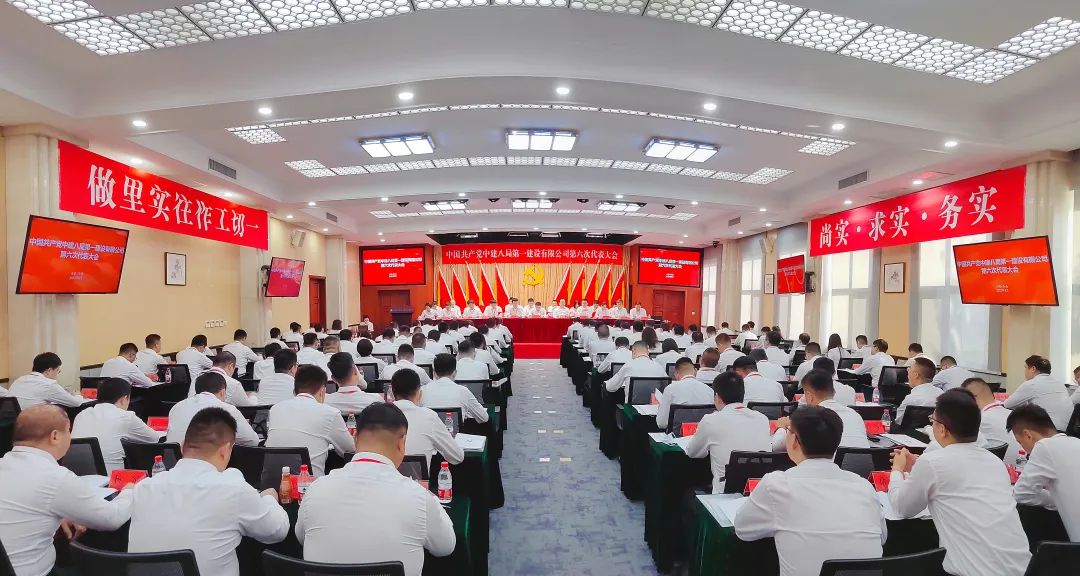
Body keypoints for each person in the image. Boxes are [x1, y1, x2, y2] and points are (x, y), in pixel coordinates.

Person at [296, 403, 455, 574]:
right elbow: (445, 547)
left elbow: (301, 537)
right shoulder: (419, 498)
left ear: (355, 439)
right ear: (402, 443)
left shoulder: (315, 489)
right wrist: (433, 501)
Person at [128, 407, 289, 576]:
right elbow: (276, 530)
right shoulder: (232, 489)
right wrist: (269, 498)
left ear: (182, 446)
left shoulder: (143, 488)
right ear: (225, 451)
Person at [889, 390, 1031, 576]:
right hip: (1024, 569)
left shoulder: (932, 463)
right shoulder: (995, 462)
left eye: (933, 420)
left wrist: (897, 470)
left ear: (942, 429)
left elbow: (902, 508)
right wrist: (917, 465)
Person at [736, 406, 885, 576]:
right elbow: (882, 537)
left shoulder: (776, 485)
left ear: (794, 440)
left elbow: (743, 529)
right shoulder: (864, 486)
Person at [0, 405, 134, 576]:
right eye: (68, 431)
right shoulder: (54, 477)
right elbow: (111, 518)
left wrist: (58, 514)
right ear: (55, 436)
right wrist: (129, 492)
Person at [685, 372, 772, 493]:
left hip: (724, 494)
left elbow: (692, 452)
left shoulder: (711, 420)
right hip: (757, 490)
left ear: (717, 397)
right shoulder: (762, 418)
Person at [1007, 404, 1080, 541]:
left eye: (1020, 442)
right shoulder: (1076, 442)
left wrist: (1053, 497)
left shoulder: (1044, 447)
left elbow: (1021, 494)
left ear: (1027, 435)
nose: (1024, 448)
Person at [266, 366, 354, 476]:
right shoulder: (330, 413)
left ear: (294, 391)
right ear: (322, 391)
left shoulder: (275, 409)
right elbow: (350, 450)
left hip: (271, 481)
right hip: (309, 483)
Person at [72, 378, 163, 473]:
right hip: (111, 478)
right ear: (124, 399)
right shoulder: (126, 417)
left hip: (76, 475)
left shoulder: (81, 415)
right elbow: (153, 438)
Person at [773, 371, 869, 451]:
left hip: (827, 467)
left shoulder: (809, 417)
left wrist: (781, 427)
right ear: (833, 392)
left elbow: (777, 447)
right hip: (865, 467)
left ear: (809, 396)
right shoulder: (855, 415)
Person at [391, 369, 464, 466]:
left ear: (392, 393)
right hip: (417, 477)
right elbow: (457, 457)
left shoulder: (377, 415)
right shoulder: (429, 417)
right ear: (419, 394)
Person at [167, 372, 259, 447]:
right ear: (223, 392)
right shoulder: (227, 409)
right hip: (208, 461)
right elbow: (252, 441)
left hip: (172, 461)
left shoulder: (176, 407)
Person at [961, 377, 1021, 465]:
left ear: (970, 398)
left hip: (999, 468)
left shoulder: (979, 420)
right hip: (1021, 466)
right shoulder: (1013, 414)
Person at [1005, 355, 1073, 430]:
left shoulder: (1031, 384)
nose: (1025, 372)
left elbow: (1007, 404)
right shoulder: (1059, 384)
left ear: (1033, 369)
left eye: (1026, 368)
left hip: (1048, 430)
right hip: (1066, 430)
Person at [420, 354, 489, 423]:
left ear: (434, 373)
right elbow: (484, 417)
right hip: (453, 429)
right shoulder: (463, 391)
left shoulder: (421, 391)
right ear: (455, 373)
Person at [9, 352, 88, 408]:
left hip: (16, 423)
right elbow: (76, 403)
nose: (57, 374)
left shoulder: (19, 380)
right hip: (34, 423)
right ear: (49, 371)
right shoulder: (48, 385)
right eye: (57, 370)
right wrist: (78, 395)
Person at [656, 358, 713, 430]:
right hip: (702, 433)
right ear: (695, 371)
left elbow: (661, 423)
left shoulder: (670, 389)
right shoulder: (709, 390)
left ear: (676, 374)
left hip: (677, 434)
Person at [895, 357, 943, 426]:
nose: (908, 372)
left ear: (916, 375)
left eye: (909, 369)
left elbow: (898, 423)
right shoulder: (942, 395)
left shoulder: (911, 399)